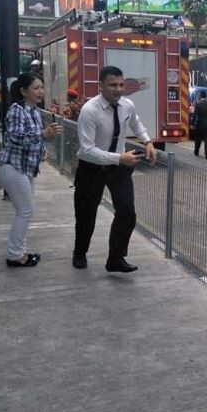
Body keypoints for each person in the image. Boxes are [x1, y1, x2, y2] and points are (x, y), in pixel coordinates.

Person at [73, 65, 157, 273]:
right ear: (101, 86)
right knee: (86, 215)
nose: (118, 89)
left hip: (118, 169)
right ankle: (80, 252)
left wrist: (147, 142)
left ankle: (115, 258)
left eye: (121, 84)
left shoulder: (127, 105)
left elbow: (136, 124)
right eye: (113, 85)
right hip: (92, 168)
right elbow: (87, 150)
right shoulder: (90, 111)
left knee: (127, 213)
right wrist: (119, 158)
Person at [0, 72, 61, 267]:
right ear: (24, 91)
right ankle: (15, 255)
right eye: (36, 88)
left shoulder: (33, 111)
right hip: (12, 167)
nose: (40, 91)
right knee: (25, 211)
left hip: (25, 169)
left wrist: (42, 151)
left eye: (41, 87)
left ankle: (19, 251)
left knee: (25, 211)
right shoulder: (17, 110)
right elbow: (16, 137)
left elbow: (33, 139)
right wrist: (44, 133)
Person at [193, 90, 207, 159]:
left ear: (200, 96)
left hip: (200, 125)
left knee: (198, 139)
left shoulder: (198, 104)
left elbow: (195, 115)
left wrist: (193, 123)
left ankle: (196, 151)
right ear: (206, 96)